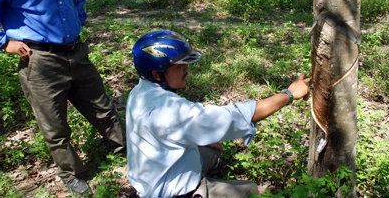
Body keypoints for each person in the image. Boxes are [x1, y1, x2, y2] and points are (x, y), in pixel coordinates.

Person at [0, 0, 126, 194]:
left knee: (103, 108)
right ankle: (71, 174)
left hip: (76, 52)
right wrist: (3, 42)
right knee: (55, 126)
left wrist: (78, 17)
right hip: (39, 60)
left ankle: (125, 147)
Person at [127, 30, 311, 197]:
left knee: (210, 150)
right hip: (171, 192)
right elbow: (235, 117)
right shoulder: (169, 113)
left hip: (150, 178)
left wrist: (203, 137)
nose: (186, 69)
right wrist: (289, 94)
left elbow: (180, 127)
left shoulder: (140, 93)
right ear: (157, 74)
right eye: (179, 65)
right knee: (250, 191)